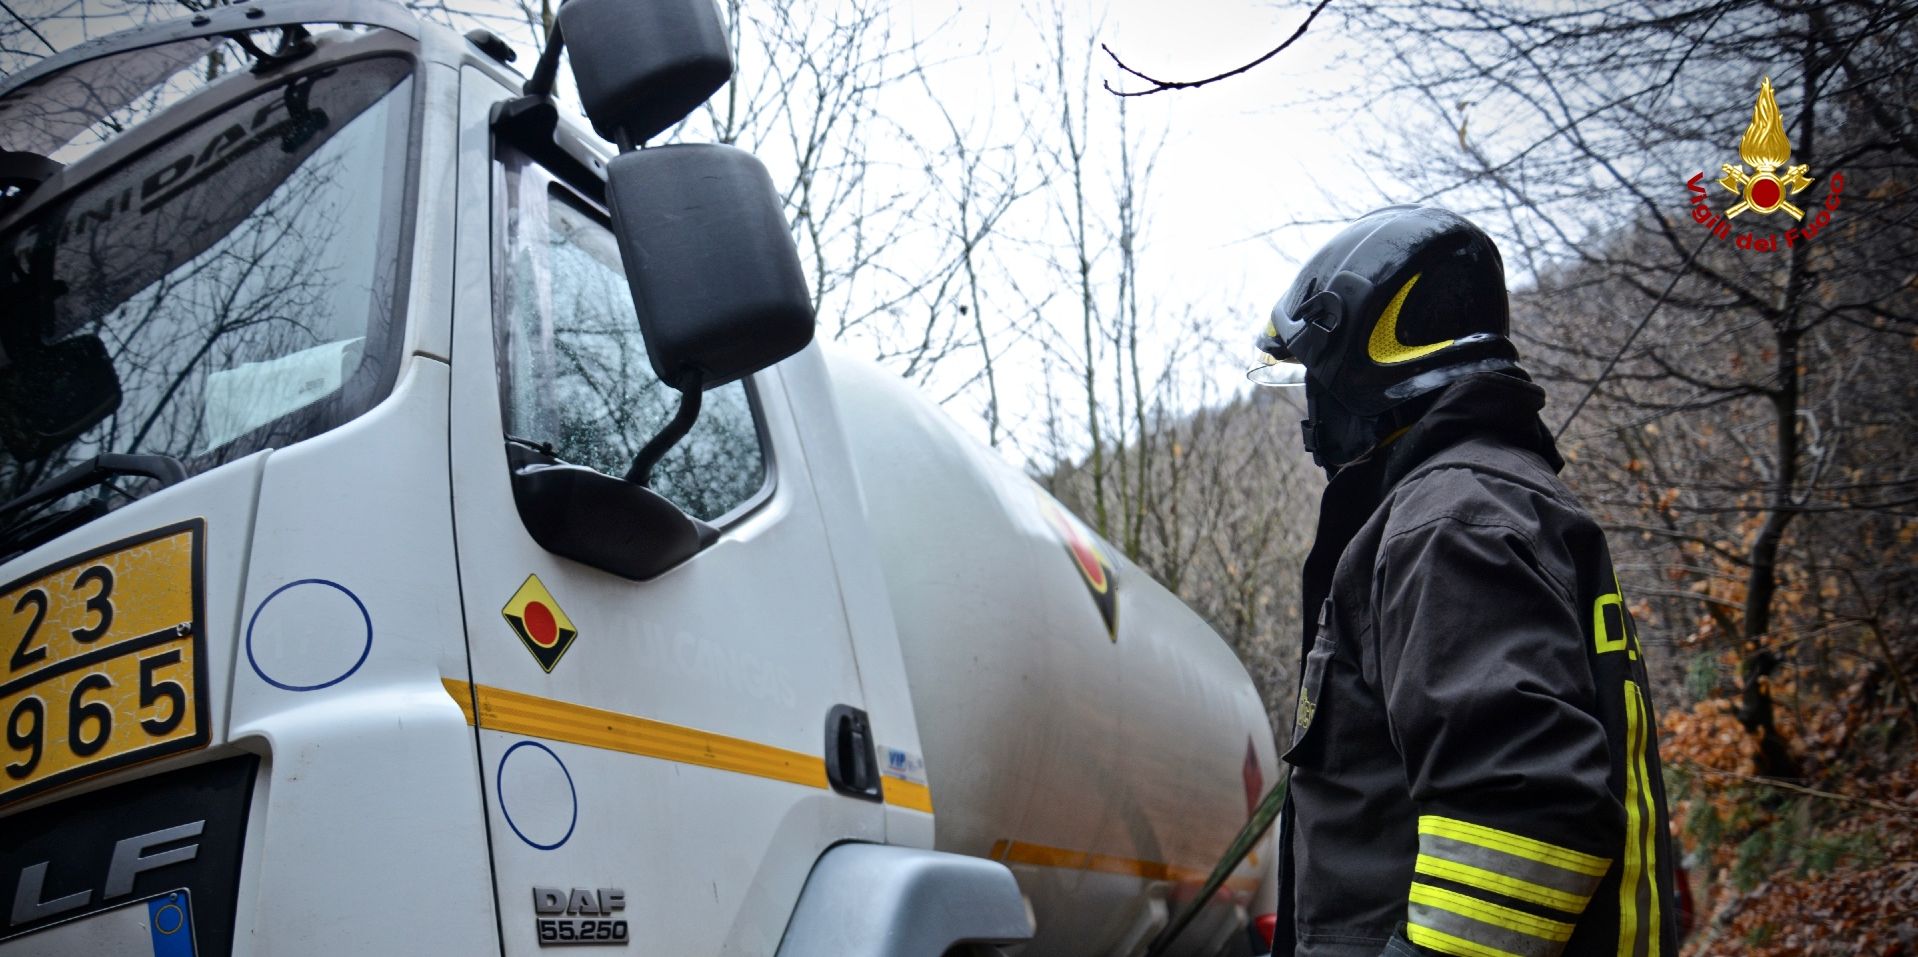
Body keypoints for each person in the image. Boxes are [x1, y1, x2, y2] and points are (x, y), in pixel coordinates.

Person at [1249, 205, 1678, 957]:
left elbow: (1523, 815)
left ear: (1362, 358)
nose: (1310, 403)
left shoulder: (1450, 519)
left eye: (1311, 373)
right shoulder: (1494, 502)